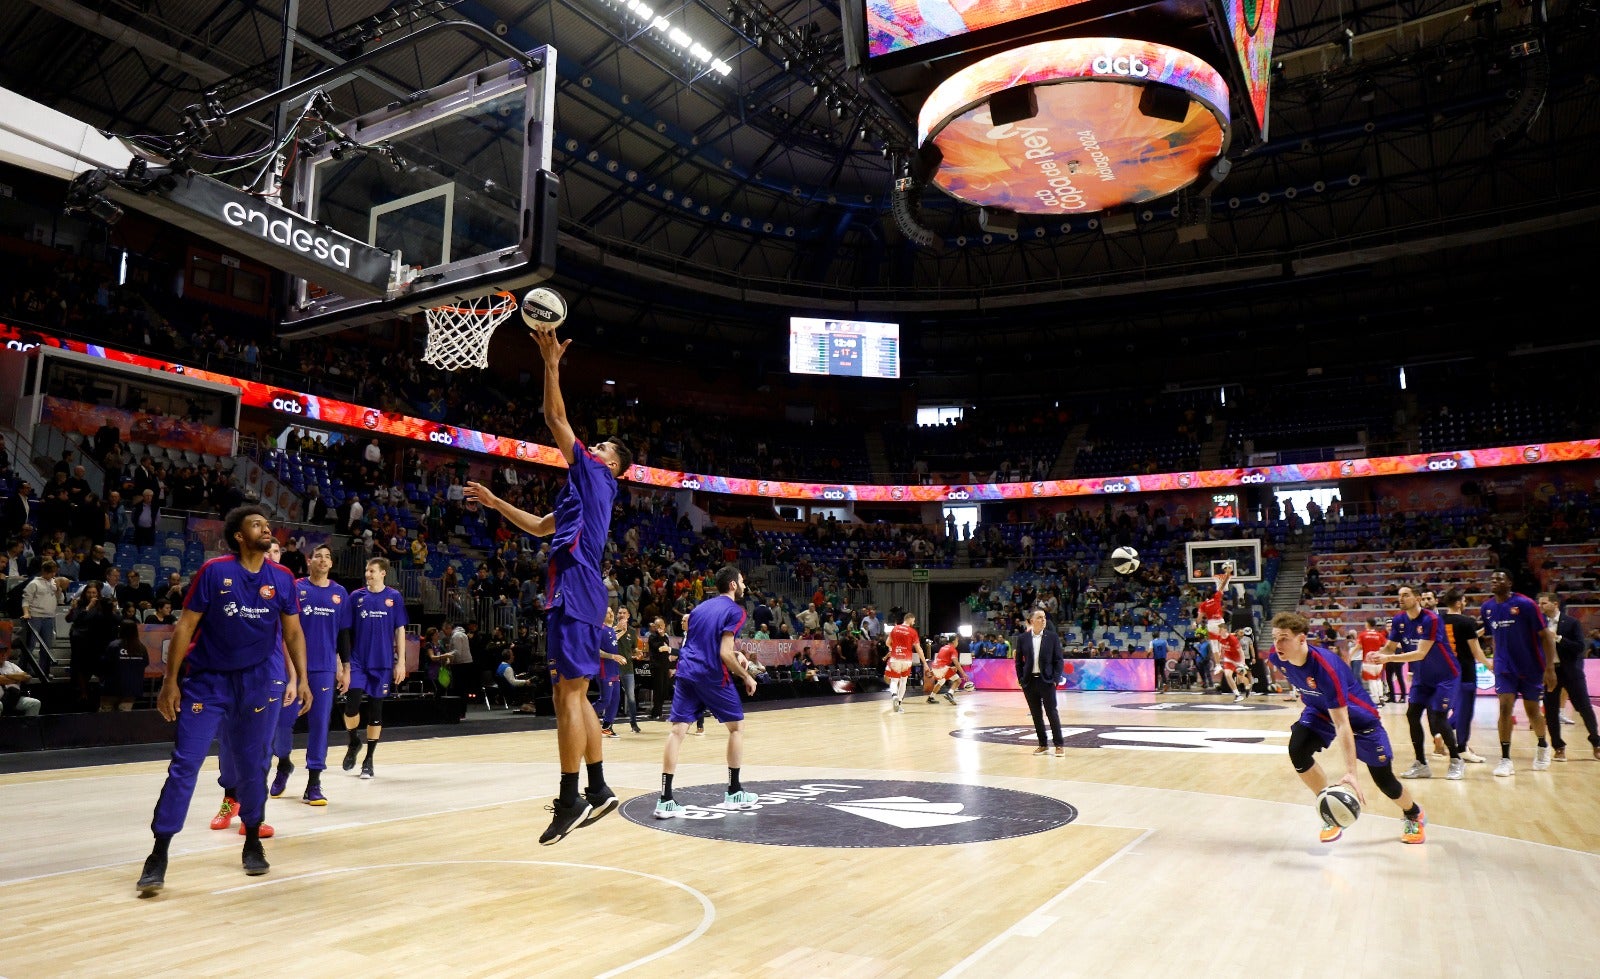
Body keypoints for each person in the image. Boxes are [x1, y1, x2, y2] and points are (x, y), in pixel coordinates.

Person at [462, 326, 633, 845]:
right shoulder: (578, 495)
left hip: (578, 584)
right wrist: (496, 505)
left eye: (602, 446)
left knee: (567, 695)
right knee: (571, 693)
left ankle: (569, 797)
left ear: (612, 467)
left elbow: (555, 418)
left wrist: (551, 362)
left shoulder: (597, 478)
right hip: (574, 586)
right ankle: (598, 788)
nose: (595, 446)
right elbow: (539, 527)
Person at [135, 505, 311, 896]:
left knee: (255, 764)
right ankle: (159, 852)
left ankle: (252, 839)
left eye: (268, 525)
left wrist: (301, 678)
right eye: (256, 525)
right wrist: (170, 681)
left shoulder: (282, 578)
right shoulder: (215, 572)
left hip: (259, 682)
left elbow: (294, 634)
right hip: (207, 681)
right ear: (238, 536)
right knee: (185, 765)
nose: (267, 530)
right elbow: (185, 626)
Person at [1267, 612, 1425, 845]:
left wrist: (1351, 771)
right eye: (1274, 638)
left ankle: (1413, 814)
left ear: (1302, 640)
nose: (1277, 645)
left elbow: (1343, 724)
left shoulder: (1326, 669)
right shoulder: (1278, 657)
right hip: (1320, 711)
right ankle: (1329, 806)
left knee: (1385, 781)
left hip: (1361, 720)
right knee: (1297, 748)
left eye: (1283, 639)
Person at [654, 565, 760, 818]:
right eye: (742, 580)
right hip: (711, 674)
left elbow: (702, 643)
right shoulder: (736, 611)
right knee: (736, 728)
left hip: (686, 672)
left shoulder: (699, 609)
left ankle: (665, 799)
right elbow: (723, 652)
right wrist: (746, 675)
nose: (744, 585)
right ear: (733, 585)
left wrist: (736, 654)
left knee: (677, 732)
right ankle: (734, 792)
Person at [269, 544, 350, 805]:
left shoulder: (340, 594)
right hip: (292, 667)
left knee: (319, 726)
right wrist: (293, 674)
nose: (323, 560)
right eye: (319, 556)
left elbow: (344, 634)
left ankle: (314, 782)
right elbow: (286, 631)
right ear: (309, 560)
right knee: (282, 723)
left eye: (328, 556)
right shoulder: (296, 588)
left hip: (324, 669)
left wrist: (345, 667)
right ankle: (283, 764)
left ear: (331, 563)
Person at [1373, 585, 1463, 780]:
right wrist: (1379, 654)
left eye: (1406, 595)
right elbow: (1390, 646)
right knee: (1412, 715)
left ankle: (1456, 759)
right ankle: (1421, 763)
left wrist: (1388, 659)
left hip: (1445, 676)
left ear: (1418, 598)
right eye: (1399, 596)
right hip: (1422, 678)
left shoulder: (1431, 619)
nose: (1401, 598)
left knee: (1439, 718)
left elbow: (1421, 653)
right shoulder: (1398, 620)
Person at [1481, 570, 1558, 776]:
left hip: (1531, 666)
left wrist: (1549, 668)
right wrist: (1496, 660)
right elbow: (1495, 636)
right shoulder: (1487, 608)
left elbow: (1546, 636)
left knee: (1532, 711)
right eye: (1492, 579)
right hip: (1505, 668)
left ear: (1510, 582)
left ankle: (1542, 745)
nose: (1495, 582)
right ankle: (1505, 758)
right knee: (1505, 708)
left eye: (1500, 578)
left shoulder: (1525, 604)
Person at [339, 557, 408, 780]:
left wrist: (401, 662)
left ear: (383, 573)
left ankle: (368, 760)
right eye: (367, 570)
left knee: (376, 710)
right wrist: (343, 660)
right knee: (351, 706)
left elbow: (400, 630)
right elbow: (345, 630)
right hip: (358, 661)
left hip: (383, 662)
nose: (368, 574)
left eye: (372, 571)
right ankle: (353, 740)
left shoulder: (394, 597)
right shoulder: (356, 597)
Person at [1537, 592, 1600, 762]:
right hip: (1550, 672)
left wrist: (1557, 638)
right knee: (1550, 712)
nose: (1540, 606)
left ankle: (1596, 742)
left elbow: (1579, 647)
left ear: (1555, 604)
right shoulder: (1538, 624)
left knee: (1584, 708)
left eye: (1543, 603)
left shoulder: (1572, 623)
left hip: (1571, 671)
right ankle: (1558, 747)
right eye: (1539, 603)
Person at [1438, 588, 1491, 764]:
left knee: (1451, 709)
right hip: (1465, 673)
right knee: (1465, 712)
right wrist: (1490, 665)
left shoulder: (1438, 621)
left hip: (1445, 673)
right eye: (1465, 600)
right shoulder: (1467, 622)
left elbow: (1461, 638)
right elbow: (1476, 651)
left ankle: (1441, 733)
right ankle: (1462, 748)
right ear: (1459, 602)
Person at [1016, 609, 1065, 756]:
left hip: (1047, 681)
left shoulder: (1052, 637)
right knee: (1036, 714)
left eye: (1044, 617)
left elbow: (1059, 660)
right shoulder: (1023, 638)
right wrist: (1021, 679)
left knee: (1052, 713)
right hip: (1029, 682)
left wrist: (1055, 679)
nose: (1043, 620)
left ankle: (1059, 745)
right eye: (1039, 617)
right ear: (1031, 621)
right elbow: (1018, 661)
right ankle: (1043, 744)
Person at [65, 580, 119, 706]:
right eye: (89, 592)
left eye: (94, 592)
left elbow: (113, 618)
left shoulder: (103, 604)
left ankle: (103, 695)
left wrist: (113, 609)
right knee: (81, 669)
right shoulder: (80, 604)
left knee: (101, 669)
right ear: (85, 593)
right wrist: (88, 607)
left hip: (98, 641)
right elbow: (76, 619)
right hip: (81, 641)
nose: (91, 595)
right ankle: (82, 694)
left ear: (98, 593)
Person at [21, 559, 63, 666]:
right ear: (44, 571)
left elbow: (60, 600)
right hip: (35, 616)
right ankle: (25, 668)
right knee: (30, 645)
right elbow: (26, 600)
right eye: (51, 572)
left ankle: (44, 670)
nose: (53, 574)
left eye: (54, 572)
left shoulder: (54, 582)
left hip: (49, 618)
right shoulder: (34, 583)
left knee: (47, 646)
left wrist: (58, 589)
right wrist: (26, 613)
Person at [884, 612, 925, 713]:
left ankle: (894, 696)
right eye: (913, 621)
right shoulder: (913, 632)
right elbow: (919, 649)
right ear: (910, 619)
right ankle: (899, 703)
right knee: (903, 682)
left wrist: (892, 648)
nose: (914, 623)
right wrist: (924, 663)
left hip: (895, 659)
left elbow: (887, 643)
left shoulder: (895, 628)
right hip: (906, 660)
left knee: (894, 681)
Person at [594, 607, 626, 738]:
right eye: (608, 612)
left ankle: (607, 727)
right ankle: (584, 715)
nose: (612, 614)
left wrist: (622, 631)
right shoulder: (599, 629)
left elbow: (612, 639)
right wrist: (614, 656)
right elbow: (596, 651)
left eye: (612, 612)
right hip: (604, 669)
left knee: (615, 699)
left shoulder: (609, 629)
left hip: (614, 669)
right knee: (605, 700)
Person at [0, 638, 41, 717]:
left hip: (14, 698)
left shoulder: (10, 665)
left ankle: (27, 728)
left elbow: (26, 677)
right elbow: (1, 680)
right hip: (0, 699)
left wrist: (7, 675)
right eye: (0, 652)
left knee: (35, 703)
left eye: (3, 652)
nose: (2, 655)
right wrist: (16, 679)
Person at [923, 636, 965, 705]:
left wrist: (950, 668)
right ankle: (950, 693)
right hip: (942, 668)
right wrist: (963, 673)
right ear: (954, 641)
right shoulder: (953, 649)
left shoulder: (943, 648)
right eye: (957, 641)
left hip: (935, 667)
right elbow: (956, 663)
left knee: (941, 681)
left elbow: (941, 660)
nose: (958, 643)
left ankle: (931, 698)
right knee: (958, 680)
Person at [646, 616, 674, 721]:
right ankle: (656, 713)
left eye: (661, 625)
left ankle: (658, 711)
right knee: (658, 689)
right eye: (657, 626)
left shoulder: (666, 637)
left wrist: (670, 668)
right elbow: (659, 648)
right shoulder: (652, 637)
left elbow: (667, 651)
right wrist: (661, 636)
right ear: (654, 626)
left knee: (664, 690)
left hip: (665, 666)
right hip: (656, 667)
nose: (659, 627)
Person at [1216, 622, 1252, 702]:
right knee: (1228, 675)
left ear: (1224, 630)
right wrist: (1219, 653)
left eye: (1220, 630)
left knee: (1240, 678)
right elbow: (1219, 644)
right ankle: (1237, 695)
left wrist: (1242, 663)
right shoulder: (1220, 637)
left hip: (1237, 660)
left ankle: (1248, 686)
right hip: (1228, 660)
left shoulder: (1233, 639)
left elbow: (1241, 652)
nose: (1218, 631)